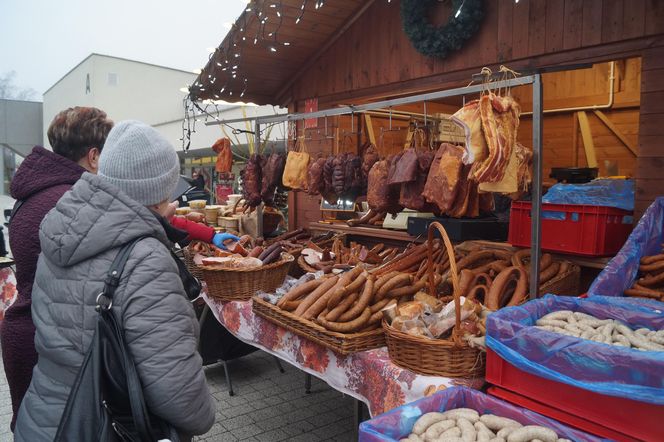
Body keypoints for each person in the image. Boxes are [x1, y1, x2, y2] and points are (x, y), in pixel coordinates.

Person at [15, 121, 215, 440]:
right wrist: (206, 413)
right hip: (102, 427)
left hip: (44, 419)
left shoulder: (63, 226)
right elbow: (181, 398)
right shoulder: (146, 258)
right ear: (161, 190)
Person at [1, 106, 113, 431]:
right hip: (49, 347)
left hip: (22, 333)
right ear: (93, 155)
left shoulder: (30, 193)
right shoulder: (73, 200)